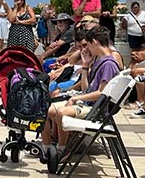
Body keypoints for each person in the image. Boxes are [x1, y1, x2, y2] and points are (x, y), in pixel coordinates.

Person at [42, 26, 120, 155]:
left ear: (94, 42)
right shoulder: (99, 61)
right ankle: (48, 148)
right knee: (44, 110)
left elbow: (101, 93)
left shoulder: (108, 64)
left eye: (88, 45)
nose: (87, 49)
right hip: (90, 105)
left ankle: (62, 149)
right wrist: (85, 67)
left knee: (61, 112)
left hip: (95, 109)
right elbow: (86, 90)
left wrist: (75, 98)